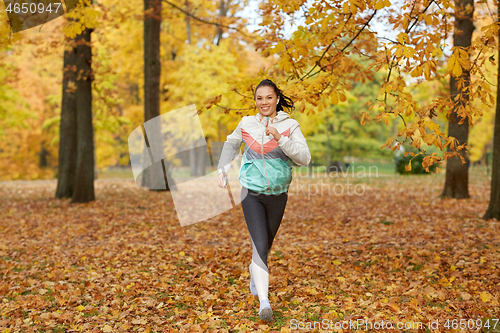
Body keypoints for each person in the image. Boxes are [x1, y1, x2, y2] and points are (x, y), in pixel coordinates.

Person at [216, 79, 311, 322]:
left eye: (269, 97)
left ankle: (255, 273)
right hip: (252, 192)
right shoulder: (246, 123)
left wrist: (281, 138)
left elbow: (305, 158)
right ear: (255, 101)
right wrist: (223, 169)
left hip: (278, 195)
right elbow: (231, 143)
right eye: (259, 98)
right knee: (259, 246)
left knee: (265, 246)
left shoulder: (290, 125)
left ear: (277, 98)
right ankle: (264, 302)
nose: (264, 102)